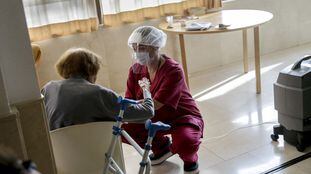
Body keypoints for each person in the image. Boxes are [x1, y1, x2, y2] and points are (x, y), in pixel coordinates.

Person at [123, 26, 204, 174]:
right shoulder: (136, 70)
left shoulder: (173, 70)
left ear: (156, 46)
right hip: (153, 116)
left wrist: (128, 109)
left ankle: (190, 159)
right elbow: (129, 99)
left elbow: (156, 104)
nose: (137, 52)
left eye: (142, 47)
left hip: (181, 116)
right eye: (135, 48)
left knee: (185, 142)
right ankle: (161, 148)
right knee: (123, 129)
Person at [41, 48, 154, 130]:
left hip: (60, 155)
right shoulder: (99, 93)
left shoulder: (48, 89)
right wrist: (146, 90)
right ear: (92, 70)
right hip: (96, 152)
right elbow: (147, 112)